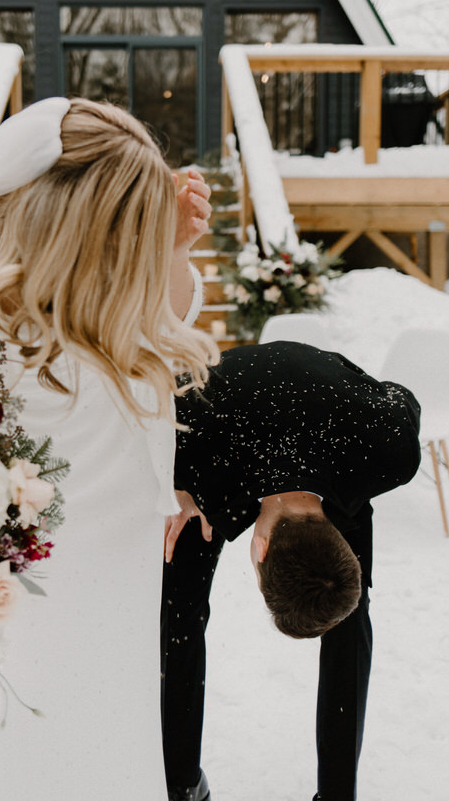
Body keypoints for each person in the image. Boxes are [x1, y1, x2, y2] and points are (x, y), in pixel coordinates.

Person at [0, 97, 219, 801]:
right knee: (19, 724)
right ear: (74, 215)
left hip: (119, 542)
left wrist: (171, 251)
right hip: (12, 551)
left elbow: (159, 330)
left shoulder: (106, 270)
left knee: (106, 718)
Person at [161, 341, 421, 801]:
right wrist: (172, 482)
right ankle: (181, 781)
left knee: (348, 610)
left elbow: (403, 400)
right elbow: (155, 411)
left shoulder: (388, 451)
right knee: (177, 606)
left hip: (342, 441)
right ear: (260, 549)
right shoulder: (194, 447)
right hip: (222, 428)